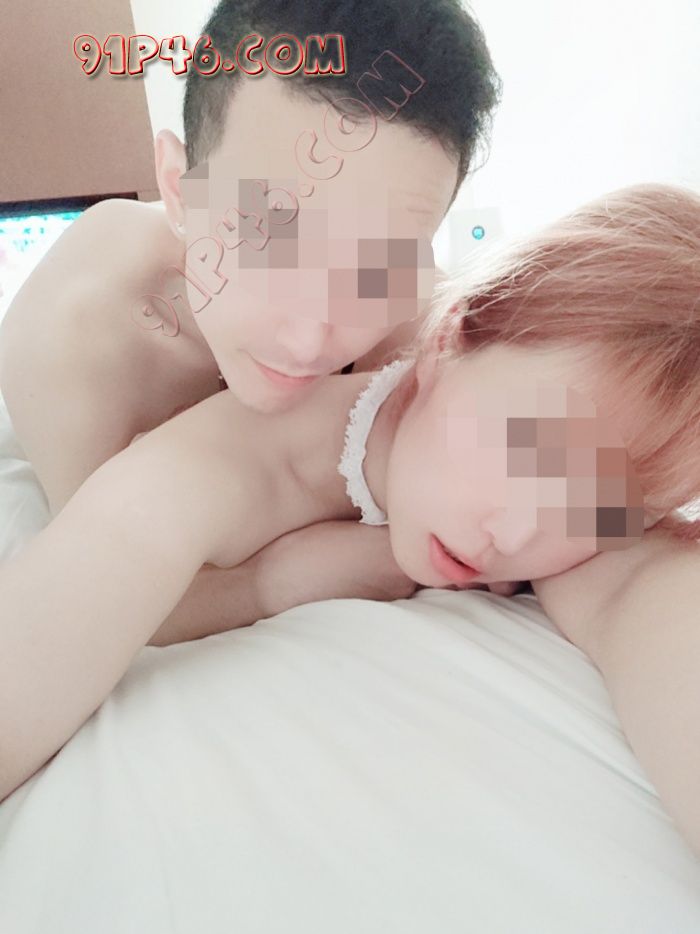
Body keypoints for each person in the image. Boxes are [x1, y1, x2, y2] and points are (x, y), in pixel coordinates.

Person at [1, 182, 700, 858]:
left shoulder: (566, 421)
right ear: (448, 339)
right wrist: (274, 581)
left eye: (601, 512)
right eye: (530, 452)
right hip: (104, 307)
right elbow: (83, 591)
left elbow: (643, 597)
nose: (515, 538)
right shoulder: (228, 451)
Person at [0, 0, 503, 637]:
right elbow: (96, 584)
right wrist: (275, 580)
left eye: (378, 267)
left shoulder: (422, 310)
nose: (309, 338)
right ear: (179, 189)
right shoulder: (75, 336)